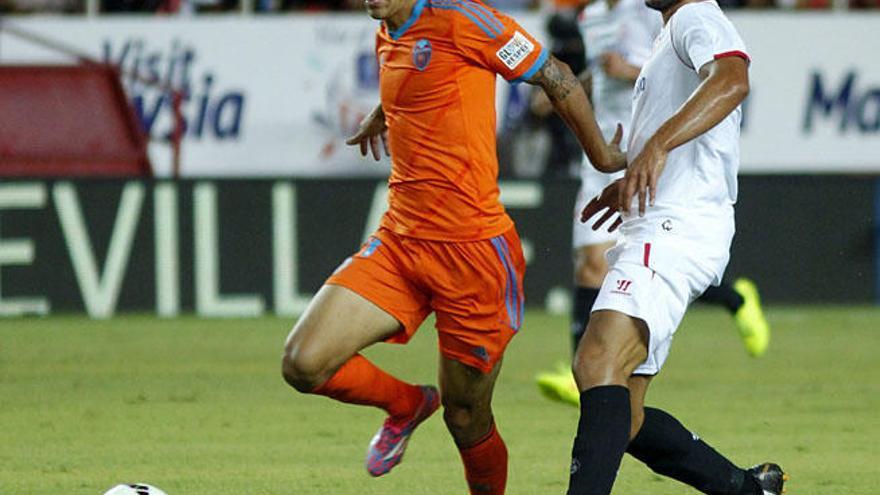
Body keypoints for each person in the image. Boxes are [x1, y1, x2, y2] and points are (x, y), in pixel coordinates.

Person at [280, 0, 622, 493]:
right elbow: (423, 74)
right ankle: (405, 404)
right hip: (400, 242)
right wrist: (386, 112)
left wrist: (602, 154)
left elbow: (556, 74)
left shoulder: (466, 20)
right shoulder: (387, 30)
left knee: (465, 416)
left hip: (474, 255)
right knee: (302, 362)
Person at [564, 1, 787, 494]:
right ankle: (749, 490)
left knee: (596, 360)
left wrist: (657, 145)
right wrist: (629, 183)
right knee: (628, 415)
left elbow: (732, 79)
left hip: (676, 228)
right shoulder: (667, 36)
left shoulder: (695, 17)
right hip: (659, 225)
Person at [535, 0, 771, 407]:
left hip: (652, 148)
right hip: (608, 149)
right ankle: (592, 371)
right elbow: (612, 74)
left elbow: (687, 72)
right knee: (591, 264)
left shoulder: (656, 12)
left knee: (634, 262)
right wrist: (574, 89)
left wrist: (631, 86)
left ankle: (732, 298)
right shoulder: (591, 18)